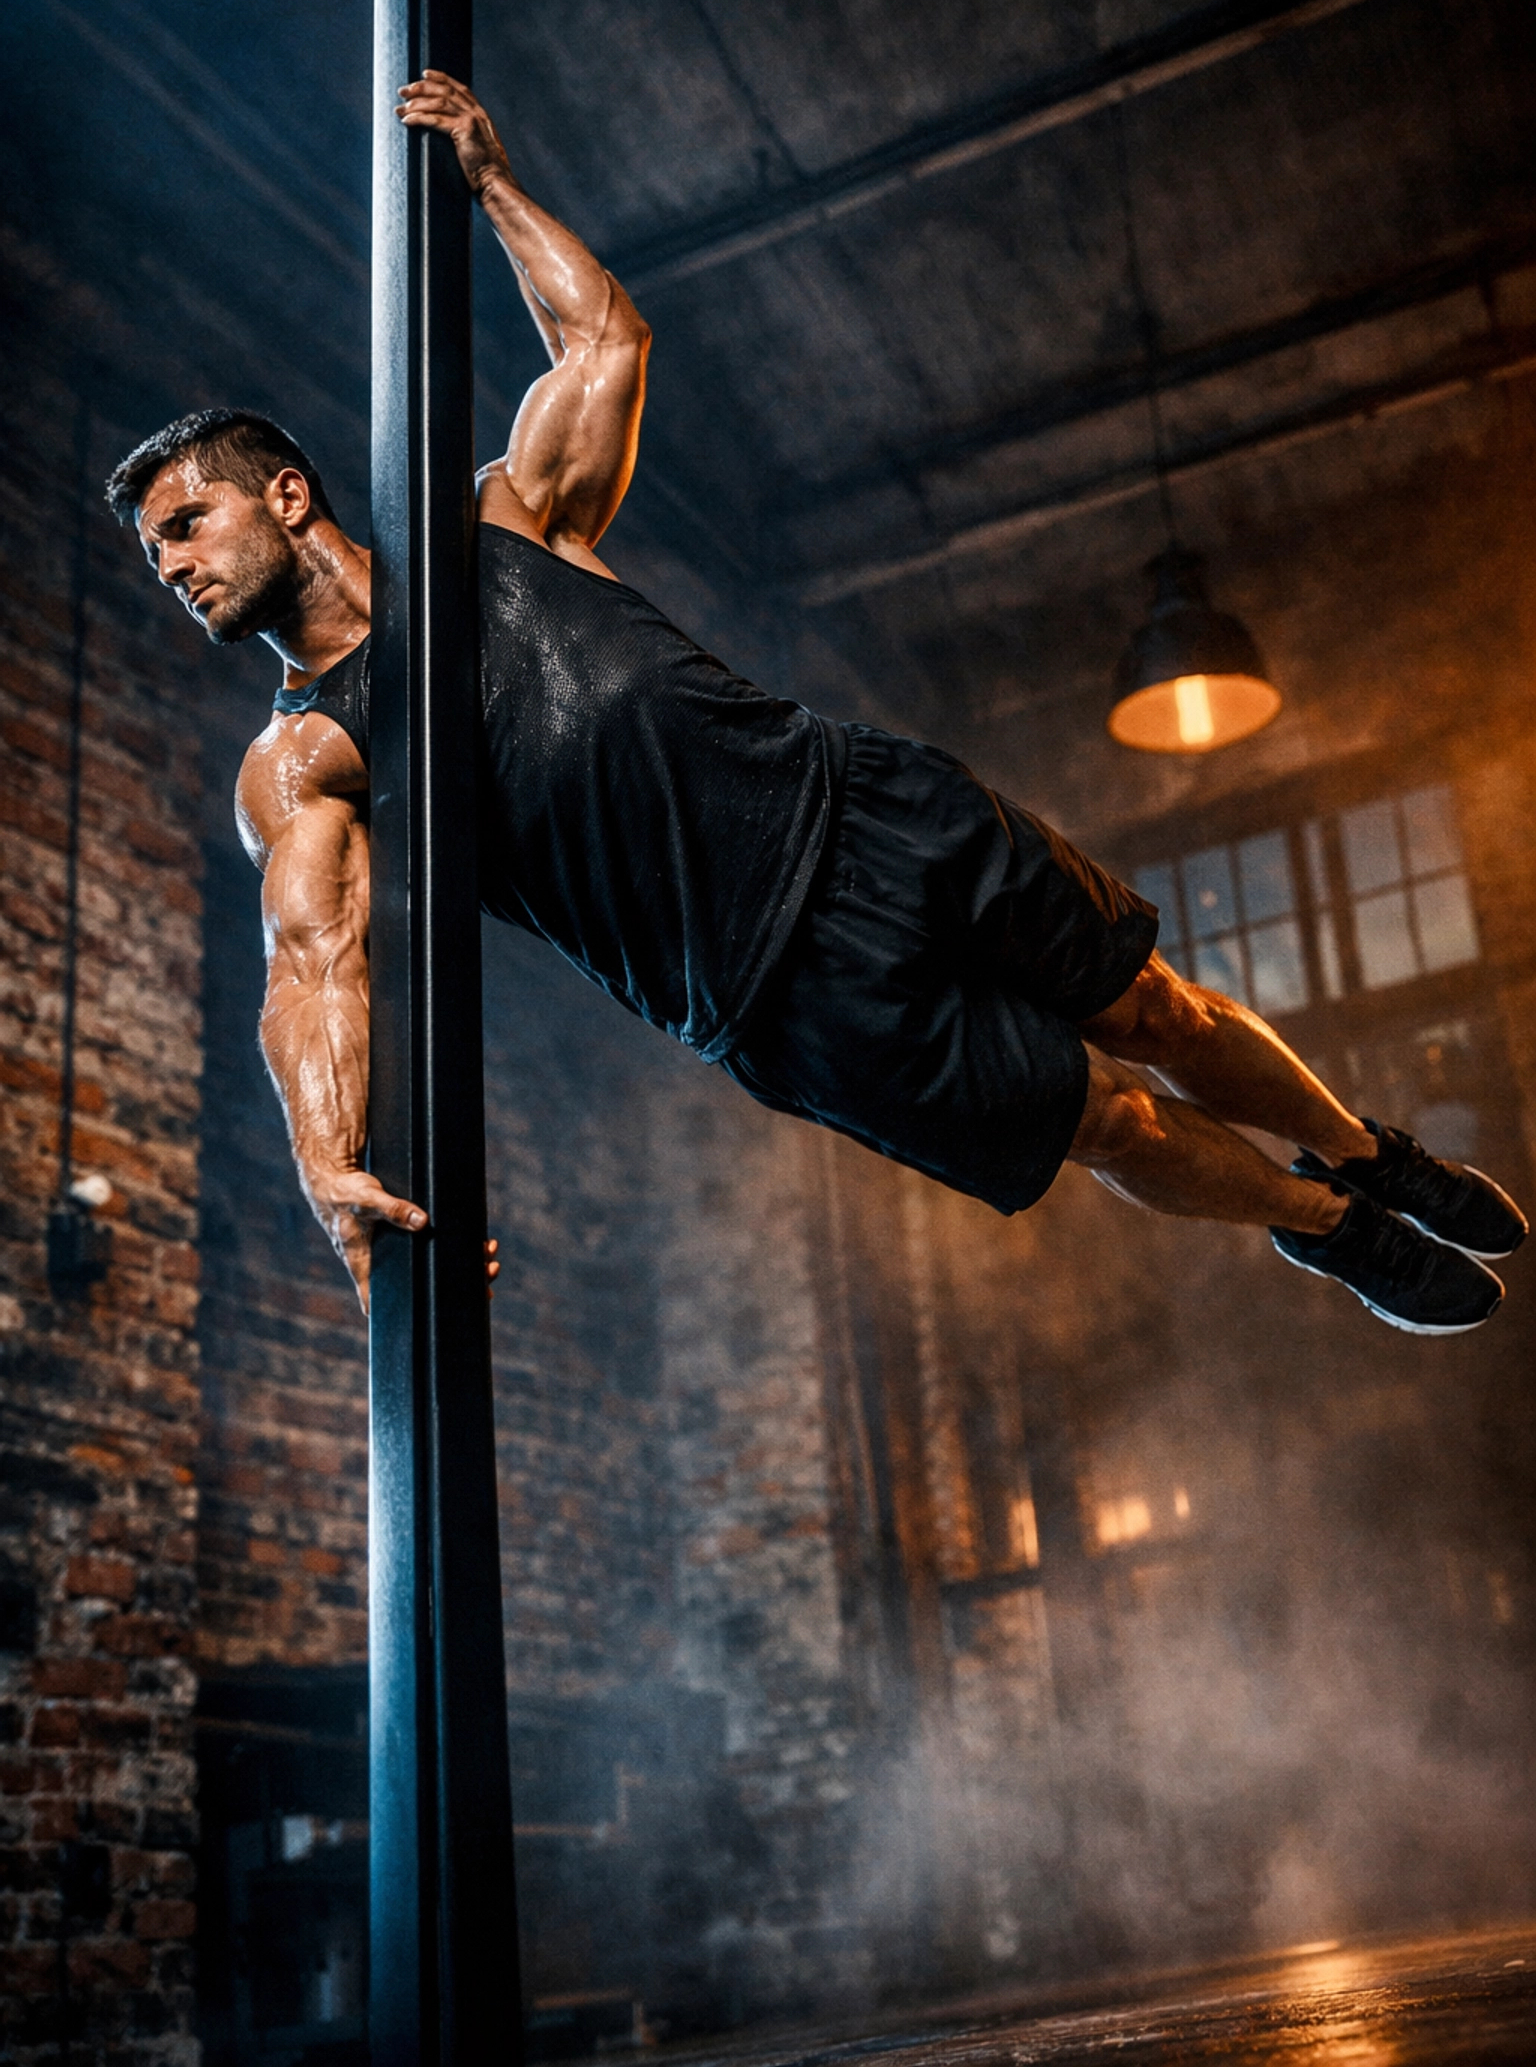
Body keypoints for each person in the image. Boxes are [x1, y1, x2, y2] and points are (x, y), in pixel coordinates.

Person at [108, 73, 1525, 1323]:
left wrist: (488, 181)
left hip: (863, 807)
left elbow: (605, 348)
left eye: (184, 526)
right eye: (153, 553)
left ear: (285, 494)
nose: (169, 568)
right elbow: (312, 971)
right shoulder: (302, 761)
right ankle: (1327, 1228)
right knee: (1114, 1124)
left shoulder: (496, 520)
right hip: (774, 993)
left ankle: (1365, 1152)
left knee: (1161, 1012)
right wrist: (325, 1161)